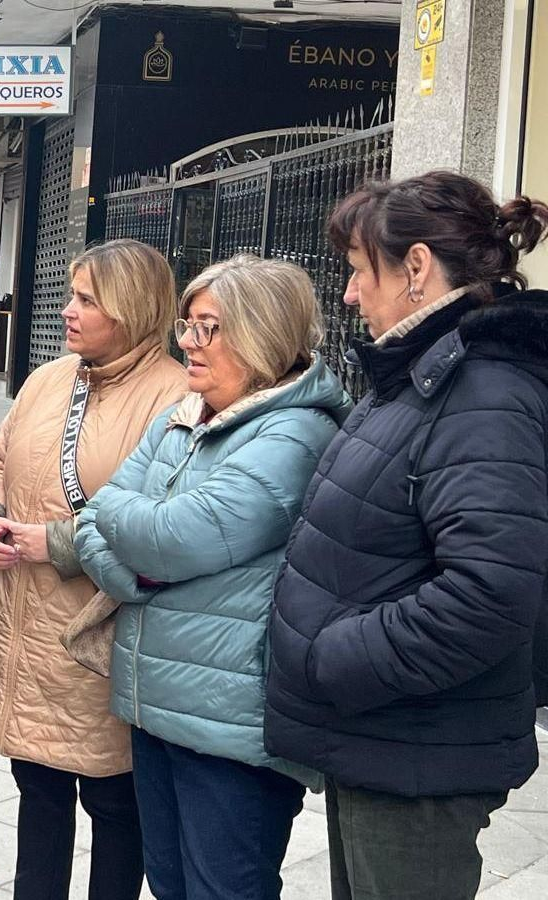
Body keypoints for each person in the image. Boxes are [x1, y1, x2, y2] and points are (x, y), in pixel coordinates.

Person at [265, 172, 548, 900]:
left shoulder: (482, 392)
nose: (349, 294)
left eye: (360, 270)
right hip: (382, 738)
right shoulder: (421, 375)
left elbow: (490, 593)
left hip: (416, 752)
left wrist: (336, 658)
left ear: (416, 267)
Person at [74, 255, 351, 900]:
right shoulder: (186, 414)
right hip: (157, 705)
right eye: (188, 325)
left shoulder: (295, 434)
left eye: (209, 328)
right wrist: (140, 572)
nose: (189, 344)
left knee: (224, 889)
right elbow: (94, 520)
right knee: (169, 885)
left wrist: (139, 544)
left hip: (232, 728)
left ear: (261, 335)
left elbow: (169, 537)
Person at [0, 238, 186, 900]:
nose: (67, 310)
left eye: (87, 300)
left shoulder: (174, 396)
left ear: (131, 308)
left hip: (99, 637)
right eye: (71, 295)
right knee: (38, 789)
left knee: (115, 805)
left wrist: (60, 544)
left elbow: (166, 524)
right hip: (25, 629)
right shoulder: (49, 378)